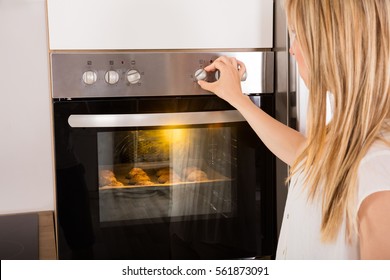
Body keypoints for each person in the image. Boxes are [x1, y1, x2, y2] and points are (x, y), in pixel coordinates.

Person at [198, 0, 390, 259]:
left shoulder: (378, 171)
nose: (292, 49)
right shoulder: (353, 134)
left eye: (298, 35)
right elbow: (305, 155)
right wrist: (239, 99)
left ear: (331, 45)